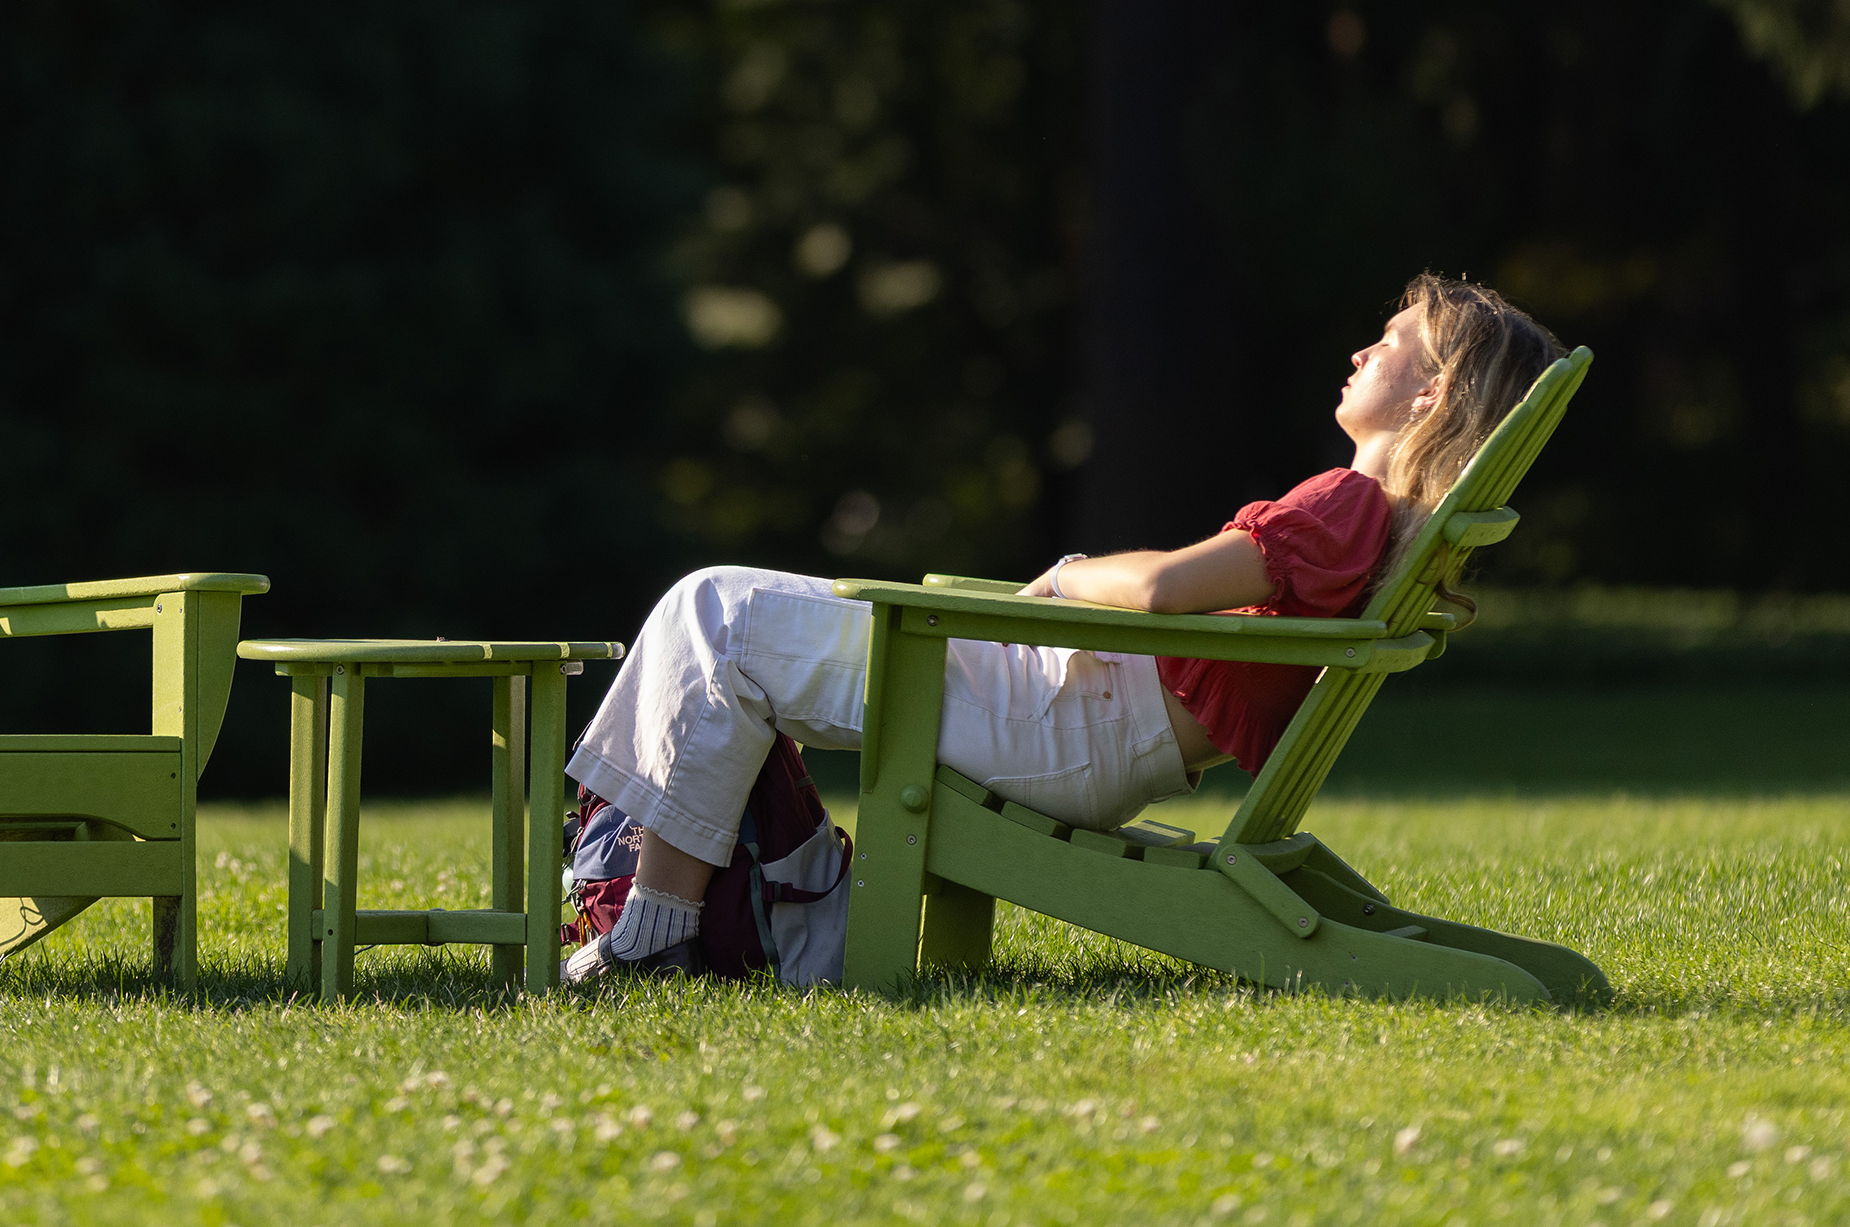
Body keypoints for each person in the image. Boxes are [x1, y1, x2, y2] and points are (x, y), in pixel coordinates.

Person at [561, 272, 1563, 982]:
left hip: (1070, 721)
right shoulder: (1364, 523)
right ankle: (756, 910)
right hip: (1084, 718)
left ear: (1428, 393)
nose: (1358, 351)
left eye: (1385, 343)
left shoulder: (1344, 504)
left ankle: (660, 921)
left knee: (713, 610)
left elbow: (1164, 591)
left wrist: (1074, 576)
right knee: (719, 609)